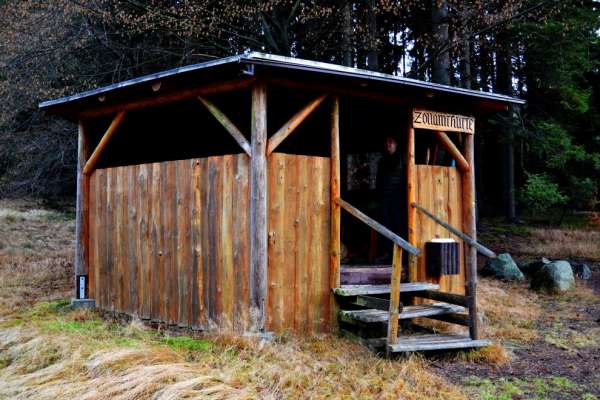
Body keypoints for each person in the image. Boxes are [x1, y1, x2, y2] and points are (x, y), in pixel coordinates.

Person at [376, 136, 407, 261]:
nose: (388, 144)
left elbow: (406, 179)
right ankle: (387, 253)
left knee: (398, 225)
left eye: (391, 142)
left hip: (398, 199)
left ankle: (400, 254)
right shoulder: (382, 161)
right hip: (385, 199)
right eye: (386, 142)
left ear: (396, 144)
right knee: (385, 226)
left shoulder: (403, 158)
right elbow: (378, 181)